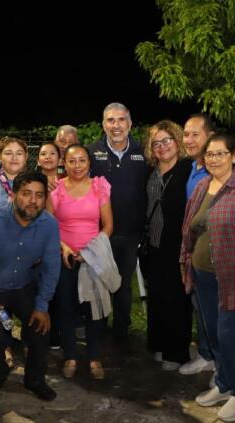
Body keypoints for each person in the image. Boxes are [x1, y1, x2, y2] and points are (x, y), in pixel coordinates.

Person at [180, 133, 235, 422]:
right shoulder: (203, 186)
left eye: (221, 154)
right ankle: (223, 383)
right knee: (212, 333)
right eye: (209, 154)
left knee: (229, 336)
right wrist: (186, 260)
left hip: (232, 278)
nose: (214, 159)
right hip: (202, 274)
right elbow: (190, 227)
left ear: (234, 156)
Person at [0, 170, 61, 401]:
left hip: (22, 286)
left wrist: (42, 304)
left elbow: (51, 266)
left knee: (40, 328)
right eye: (26, 194)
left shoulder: (49, 224)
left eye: (39, 195)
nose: (33, 201)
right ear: (14, 194)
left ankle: (35, 378)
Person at [48, 145, 114, 380]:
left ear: (89, 163)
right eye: (72, 161)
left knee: (95, 310)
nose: (77, 165)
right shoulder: (56, 191)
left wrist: (90, 251)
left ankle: (95, 356)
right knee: (65, 308)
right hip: (64, 258)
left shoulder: (99, 187)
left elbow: (108, 225)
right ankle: (70, 356)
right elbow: (49, 225)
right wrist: (64, 247)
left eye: (82, 160)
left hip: (93, 258)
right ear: (64, 163)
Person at [88, 102, 147, 342]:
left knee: (123, 285)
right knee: (99, 282)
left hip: (132, 232)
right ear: (103, 125)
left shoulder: (144, 152)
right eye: (110, 120)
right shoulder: (92, 152)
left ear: (130, 124)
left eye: (121, 120)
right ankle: (98, 330)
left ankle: (121, 332)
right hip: (100, 232)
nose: (116, 125)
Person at [143, 120, 193, 371]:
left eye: (167, 140)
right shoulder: (150, 172)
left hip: (178, 246)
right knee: (158, 297)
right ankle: (160, 345)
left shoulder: (188, 170)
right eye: (156, 143)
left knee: (177, 299)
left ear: (177, 142)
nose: (162, 147)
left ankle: (177, 352)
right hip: (154, 245)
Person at [178, 113, 216, 376]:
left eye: (195, 134)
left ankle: (223, 366)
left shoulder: (219, 170)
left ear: (210, 137)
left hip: (215, 256)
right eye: (186, 134)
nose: (188, 140)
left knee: (217, 312)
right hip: (194, 252)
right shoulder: (191, 167)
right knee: (199, 306)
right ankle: (206, 354)